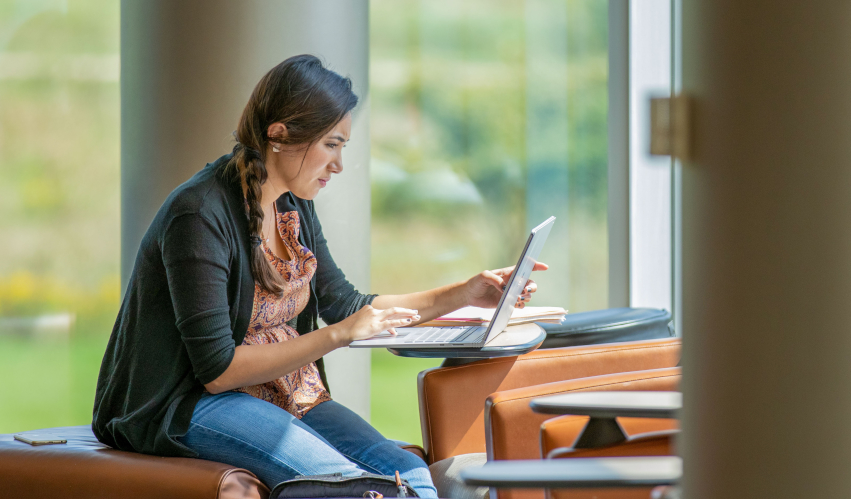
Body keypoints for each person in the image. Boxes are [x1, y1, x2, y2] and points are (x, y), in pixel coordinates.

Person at [92, 55, 546, 498]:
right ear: (279, 135)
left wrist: (466, 293)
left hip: (283, 390)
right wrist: (339, 336)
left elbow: (344, 303)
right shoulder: (198, 214)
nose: (339, 164)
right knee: (352, 488)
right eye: (331, 144)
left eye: (343, 146)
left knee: (409, 472)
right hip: (185, 404)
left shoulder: (292, 203)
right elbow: (217, 371)